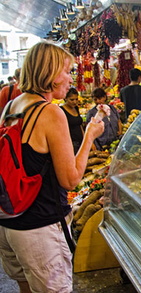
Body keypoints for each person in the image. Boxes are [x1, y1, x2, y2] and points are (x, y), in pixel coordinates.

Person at [0, 41, 104, 293]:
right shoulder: (49, 113)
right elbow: (70, 180)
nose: (71, 79)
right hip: (39, 227)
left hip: (9, 223)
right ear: (51, 73)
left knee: (25, 286)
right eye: (67, 71)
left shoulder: (11, 107)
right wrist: (90, 136)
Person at [61, 87, 84, 154]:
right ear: (65, 98)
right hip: (70, 144)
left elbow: (80, 126)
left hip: (80, 142)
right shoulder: (61, 110)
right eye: (72, 100)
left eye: (76, 99)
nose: (75, 102)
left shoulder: (76, 108)